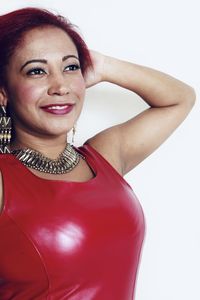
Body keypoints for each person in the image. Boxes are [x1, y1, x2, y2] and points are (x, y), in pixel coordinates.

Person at [0, 7, 195, 300]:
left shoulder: (105, 157)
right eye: (36, 71)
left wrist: (102, 65)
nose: (60, 86)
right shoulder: (5, 180)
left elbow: (180, 98)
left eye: (70, 67)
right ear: (4, 91)